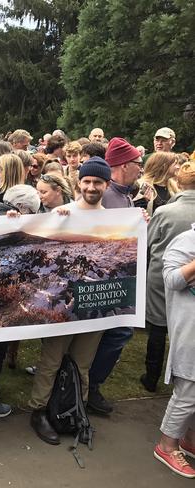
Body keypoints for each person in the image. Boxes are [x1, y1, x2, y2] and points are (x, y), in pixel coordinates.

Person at [29, 157, 112, 445]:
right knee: (51, 360)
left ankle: (77, 409)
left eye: (97, 182)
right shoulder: (63, 213)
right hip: (62, 305)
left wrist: (142, 223)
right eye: (87, 181)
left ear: (106, 185)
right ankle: (38, 411)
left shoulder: (116, 218)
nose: (91, 187)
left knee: (83, 363)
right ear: (79, 183)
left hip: (94, 306)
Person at [88, 137, 143, 415]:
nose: (141, 169)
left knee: (117, 331)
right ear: (123, 165)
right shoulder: (109, 196)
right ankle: (90, 386)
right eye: (137, 163)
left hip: (118, 279)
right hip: (105, 281)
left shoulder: (124, 194)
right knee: (118, 332)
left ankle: (89, 385)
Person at [142, 162, 195, 393]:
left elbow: (149, 243)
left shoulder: (164, 212)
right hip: (187, 278)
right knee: (187, 327)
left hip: (160, 276)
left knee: (158, 326)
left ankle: (152, 377)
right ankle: (183, 377)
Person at [153, 225, 195, 478]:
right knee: (188, 388)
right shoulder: (186, 240)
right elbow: (172, 280)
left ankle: (189, 439)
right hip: (190, 328)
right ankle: (167, 445)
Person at [134, 151, 180, 216]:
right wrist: (144, 202)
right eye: (175, 164)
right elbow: (137, 213)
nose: (178, 167)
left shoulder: (175, 186)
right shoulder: (142, 186)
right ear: (164, 166)